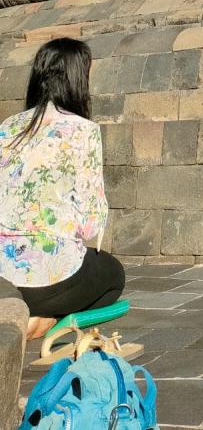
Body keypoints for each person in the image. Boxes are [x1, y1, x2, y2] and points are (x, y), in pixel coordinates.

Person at [0, 38, 125, 339]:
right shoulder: (84, 131)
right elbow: (91, 223)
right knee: (113, 275)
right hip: (53, 278)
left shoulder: (7, 127)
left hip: (3, 276)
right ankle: (43, 317)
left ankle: (21, 311)